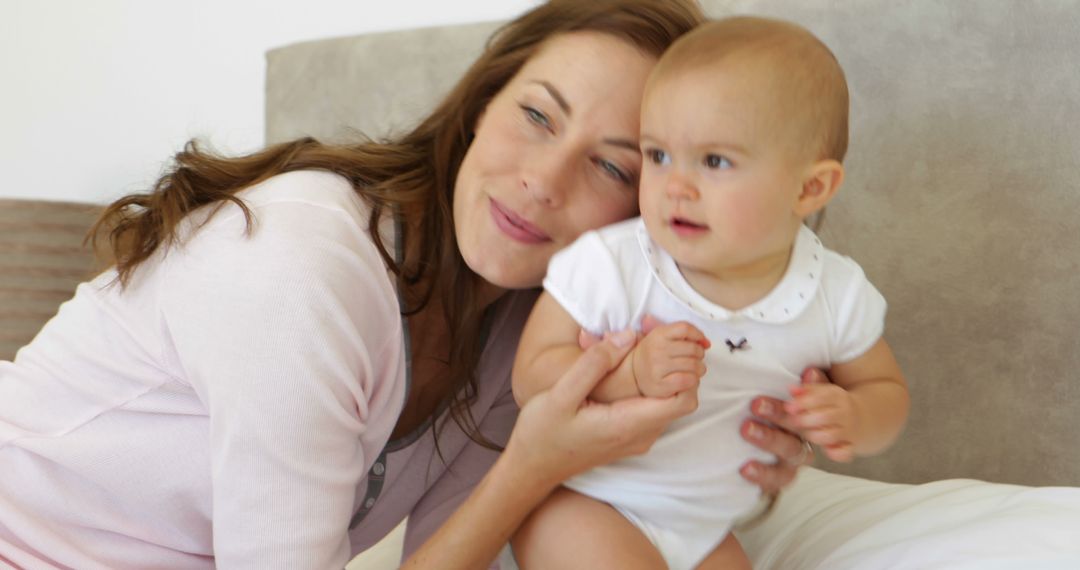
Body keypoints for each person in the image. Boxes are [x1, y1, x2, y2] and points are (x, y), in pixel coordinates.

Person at [0, 3, 817, 569]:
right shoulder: (301, 267)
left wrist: (726, 440)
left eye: (610, 164)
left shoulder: (522, 334)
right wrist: (528, 467)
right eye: (537, 115)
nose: (541, 181)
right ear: (478, 107)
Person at [511, 16, 911, 570]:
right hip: (588, 501)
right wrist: (626, 376)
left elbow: (885, 390)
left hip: (703, 528)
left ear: (810, 188)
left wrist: (855, 415)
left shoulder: (833, 293)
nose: (676, 186)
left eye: (715, 161)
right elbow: (530, 375)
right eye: (657, 156)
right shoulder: (614, 263)